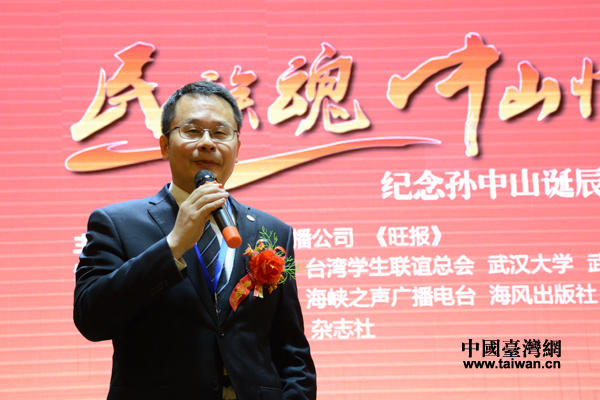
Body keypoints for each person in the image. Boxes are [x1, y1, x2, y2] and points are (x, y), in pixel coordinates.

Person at [73, 81, 317, 400]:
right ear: (164, 145)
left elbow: (292, 351)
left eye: (220, 133)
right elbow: (91, 320)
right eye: (192, 131)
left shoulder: (273, 231)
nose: (207, 143)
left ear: (237, 148)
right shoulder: (116, 224)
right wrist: (173, 245)